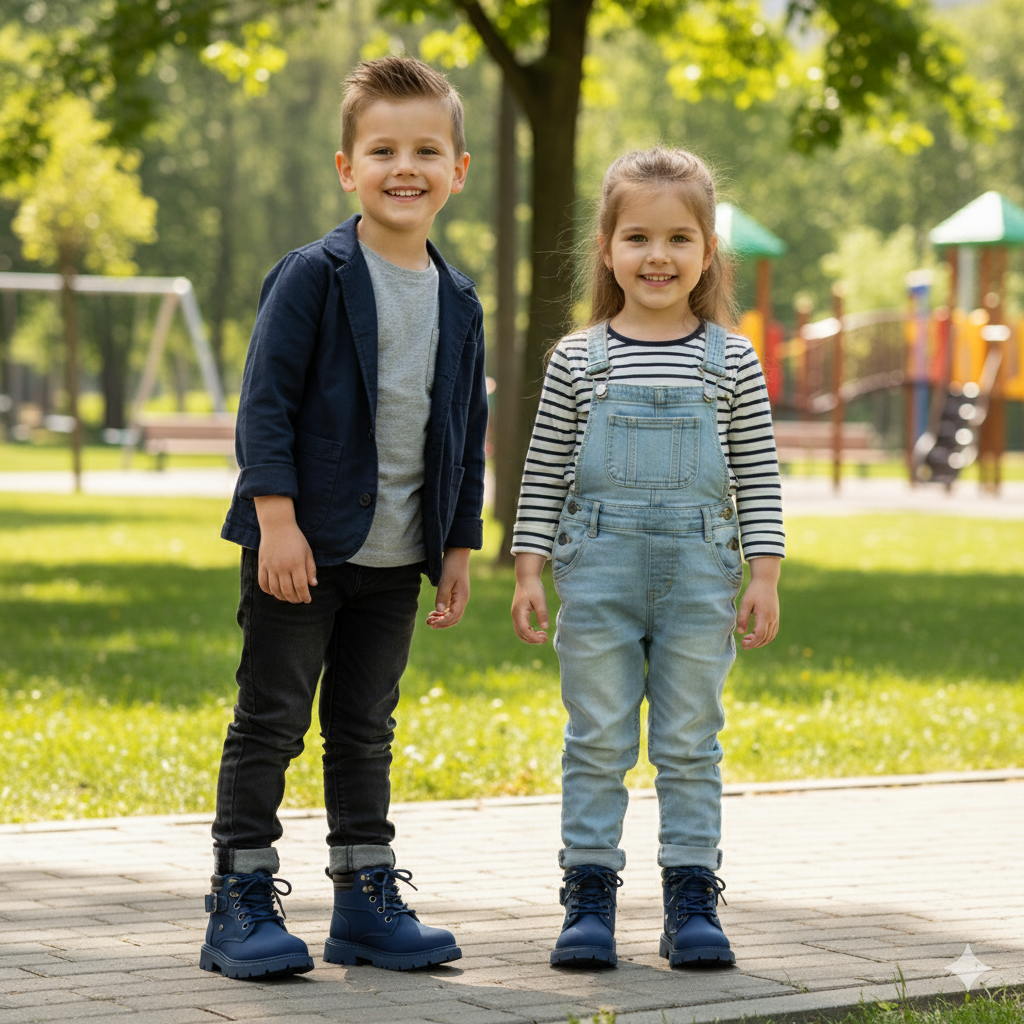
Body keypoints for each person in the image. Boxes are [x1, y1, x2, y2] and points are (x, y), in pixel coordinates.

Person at [200, 56, 488, 979]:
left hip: (396, 558)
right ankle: (238, 902)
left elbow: (465, 433)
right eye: (383, 150)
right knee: (273, 719)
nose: (405, 167)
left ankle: (364, 902)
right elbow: (266, 405)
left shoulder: (458, 298)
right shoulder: (314, 276)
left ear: (457, 169)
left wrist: (456, 545)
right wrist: (275, 520)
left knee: (364, 726)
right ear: (346, 167)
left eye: (425, 150)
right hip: (302, 551)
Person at [511, 147, 784, 968]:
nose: (657, 256)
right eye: (637, 237)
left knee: (691, 740)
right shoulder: (575, 358)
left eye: (678, 239)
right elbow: (544, 467)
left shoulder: (730, 359)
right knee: (595, 736)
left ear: (707, 253)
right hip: (597, 571)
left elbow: (759, 474)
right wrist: (528, 566)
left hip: (702, 574)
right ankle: (588, 898)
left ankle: (691, 899)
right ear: (607, 247)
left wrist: (764, 572)